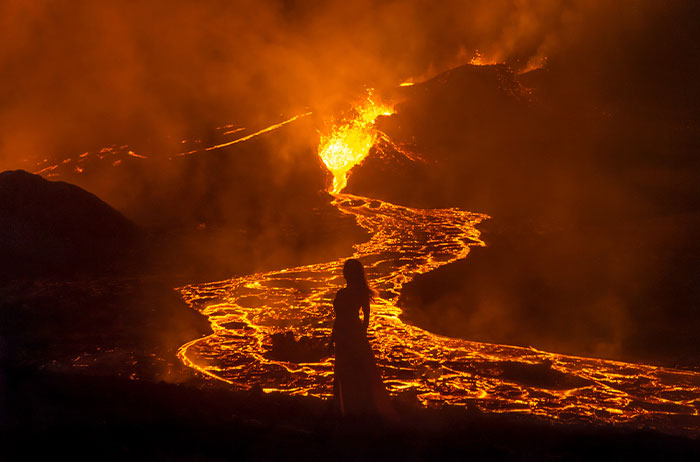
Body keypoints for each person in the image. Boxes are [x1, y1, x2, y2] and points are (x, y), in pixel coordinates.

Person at [329, 258, 394, 420]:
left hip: (346, 335)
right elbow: (364, 319)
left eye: (346, 271)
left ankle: (350, 410)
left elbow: (343, 318)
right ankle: (359, 409)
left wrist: (338, 338)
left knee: (348, 371)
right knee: (357, 371)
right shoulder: (360, 293)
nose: (344, 273)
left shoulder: (344, 294)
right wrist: (359, 335)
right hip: (351, 334)